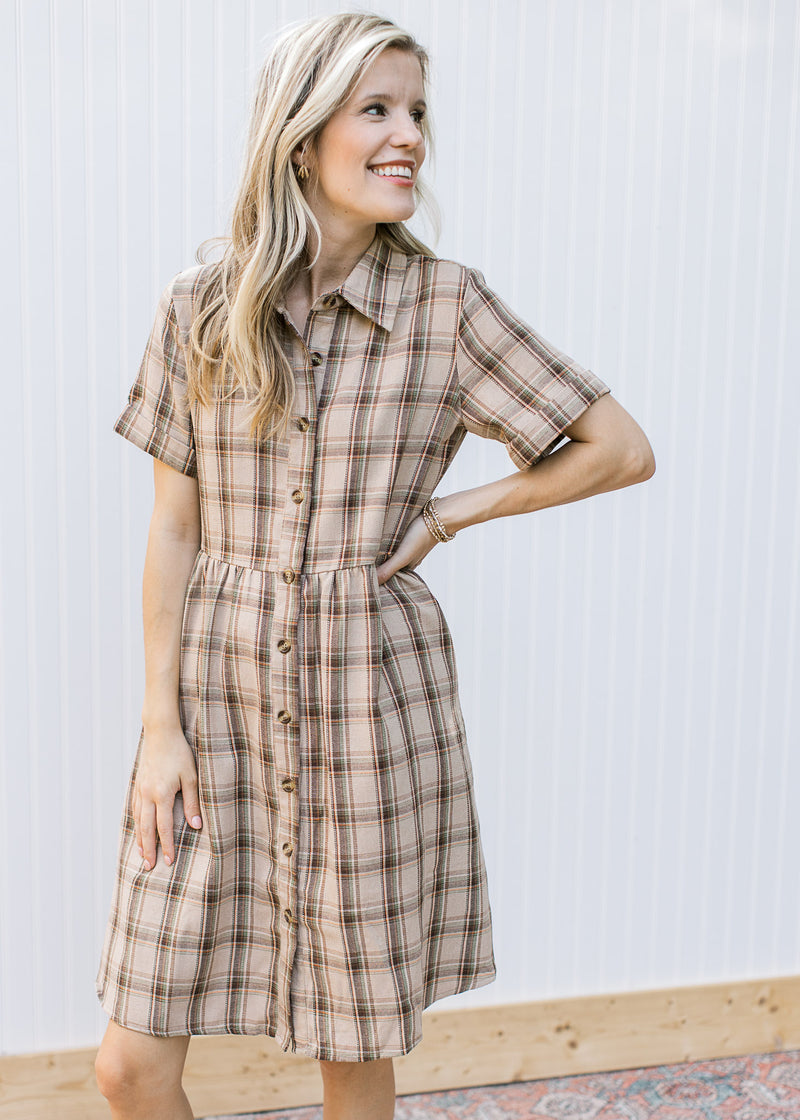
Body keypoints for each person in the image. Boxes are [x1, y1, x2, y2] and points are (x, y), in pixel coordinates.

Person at [93, 10, 655, 1120]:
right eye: (377, 110)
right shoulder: (198, 309)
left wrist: (446, 517)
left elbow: (618, 448)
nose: (407, 137)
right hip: (215, 697)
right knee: (129, 1061)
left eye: (416, 114)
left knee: (351, 1046)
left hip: (365, 696)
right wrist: (157, 728)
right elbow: (171, 530)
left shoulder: (446, 308)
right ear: (302, 140)